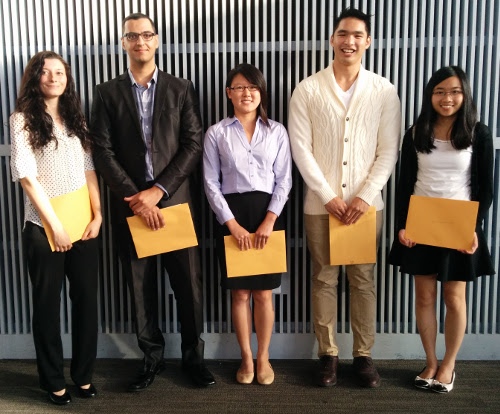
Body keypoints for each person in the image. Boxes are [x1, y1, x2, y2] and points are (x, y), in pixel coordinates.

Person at [90, 13, 215, 390]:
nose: (140, 41)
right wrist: (135, 197)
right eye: (132, 36)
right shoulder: (106, 93)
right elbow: (101, 150)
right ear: (124, 43)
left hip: (174, 203)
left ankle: (193, 359)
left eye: (147, 34)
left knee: (189, 288)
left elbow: (193, 145)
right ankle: (152, 358)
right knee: (139, 287)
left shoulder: (180, 89)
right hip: (131, 209)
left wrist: (157, 191)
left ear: (157, 40)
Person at [288, 7, 401, 388]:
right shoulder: (307, 89)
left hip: (367, 208)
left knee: (364, 279)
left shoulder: (384, 91)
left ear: (368, 41)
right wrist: (327, 195)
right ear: (332, 39)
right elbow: (300, 149)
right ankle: (328, 354)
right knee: (323, 278)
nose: (348, 41)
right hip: (320, 207)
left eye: (357, 35)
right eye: (342, 33)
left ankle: (364, 356)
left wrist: (365, 195)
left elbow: (389, 150)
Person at [389, 66, 495, 393]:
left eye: (453, 92)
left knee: (454, 296)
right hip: (421, 223)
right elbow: (405, 183)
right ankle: (430, 362)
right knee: (424, 296)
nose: (446, 99)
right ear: (430, 96)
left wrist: (474, 228)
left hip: (458, 224)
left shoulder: (479, 133)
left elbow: (486, 189)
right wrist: (403, 225)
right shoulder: (415, 132)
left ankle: (448, 365)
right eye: (439, 92)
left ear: (464, 95)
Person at [10, 51, 101, 405]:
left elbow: (90, 167)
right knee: (47, 307)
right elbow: (26, 177)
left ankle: (83, 376)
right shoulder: (22, 120)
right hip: (43, 227)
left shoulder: (76, 118)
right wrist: (56, 228)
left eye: (59, 72)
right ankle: (53, 381)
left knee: (86, 304)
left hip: (84, 226)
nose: (53, 77)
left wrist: (98, 215)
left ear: (67, 78)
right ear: (34, 79)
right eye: (45, 72)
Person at [203, 63, 292, 385]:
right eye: (239, 87)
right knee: (240, 293)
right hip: (232, 216)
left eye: (252, 87)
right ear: (229, 93)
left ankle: (264, 357)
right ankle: (245, 358)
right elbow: (211, 182)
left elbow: (284, 180)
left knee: (265, 294)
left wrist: (270, 220)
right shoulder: (217, 132)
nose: (246, 93)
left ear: (261, 92)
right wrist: (231, 224)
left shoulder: (277, 131)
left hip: (268, 215)